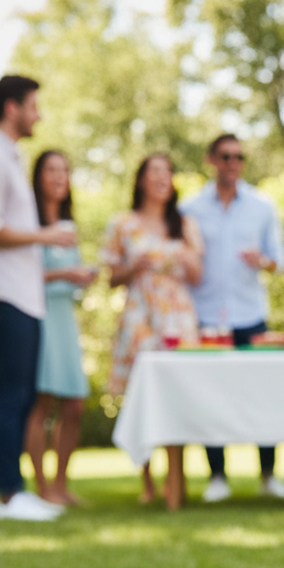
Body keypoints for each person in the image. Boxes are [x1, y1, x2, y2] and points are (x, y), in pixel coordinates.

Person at [0, 74, 76, 521]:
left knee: (23, 394)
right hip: (5, 295)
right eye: (33, 105)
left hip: (24, 296)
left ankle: (16, 491)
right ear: (12, 108)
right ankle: (9, 494)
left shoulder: (9, 158)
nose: (39, 114)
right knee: (13, 395)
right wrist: (45, 235)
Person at [180, 133, 284, 502]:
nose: (233, 164)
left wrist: (262, 260)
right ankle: (217, 477)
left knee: (263, 396)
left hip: (250, 315)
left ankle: (268, 475)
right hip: (207, 317)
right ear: (211, 159)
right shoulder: (190, 209)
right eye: (226, 157)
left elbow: (279, 260)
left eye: (239, 157)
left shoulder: (262, 207)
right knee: (212, 397)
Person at [103, 153, 204, 510]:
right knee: (142, 392)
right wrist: (133, 267)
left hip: (176, 316)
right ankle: (146, 479)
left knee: (179, 393)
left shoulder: (184, 224)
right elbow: (110, 276)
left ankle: (177, 477)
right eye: (155, 171)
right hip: (141, 314)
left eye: (168, 172)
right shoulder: (123, 223)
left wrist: (186, 257)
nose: (163, 177)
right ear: (142, 180)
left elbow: (197, 275)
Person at [25, 151, 97, 506]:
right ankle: (42, 488)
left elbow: (68, 275)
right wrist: (62, 274)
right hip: (39, 317)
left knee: (74, 406)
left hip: (65, 317)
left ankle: (61, 485)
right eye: (52, 169)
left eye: (65, 170)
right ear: (38, 176)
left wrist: (81, 276)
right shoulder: (28, 223)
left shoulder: (68, 225)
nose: (59, 176)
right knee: (41, 403)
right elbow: (21, 276)